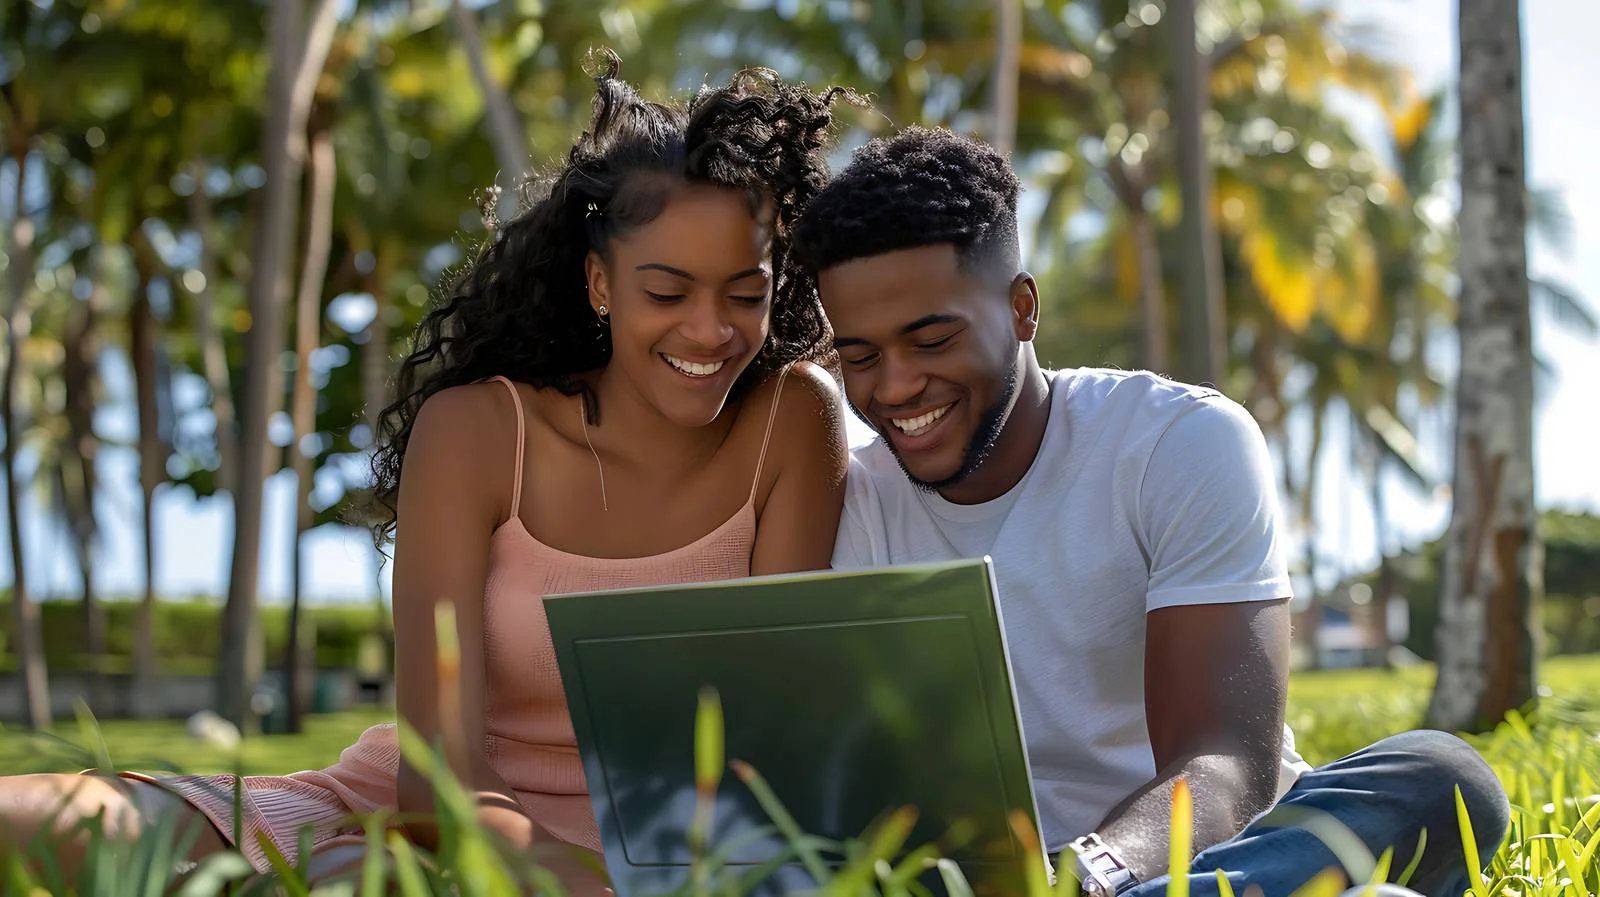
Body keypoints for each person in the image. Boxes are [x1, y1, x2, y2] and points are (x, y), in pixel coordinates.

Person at [0, 52, 853, 893]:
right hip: (445, 813)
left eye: (745, 293)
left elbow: (762, 748)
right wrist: (553, 874)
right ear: (601, 282)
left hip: (664, 849)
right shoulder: (481, 429)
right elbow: (436, 772)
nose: (710, 331)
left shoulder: (793, 419)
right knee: (30, 821)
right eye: (667, 292)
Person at [793, 125, 1510, 897]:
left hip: (1195, 855)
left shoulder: (1180, 441)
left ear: (1023, 308)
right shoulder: (851, 502)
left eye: (931, 340)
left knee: (1443, 778)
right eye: (860, 356)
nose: (894, 388)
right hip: (991, 883)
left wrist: (1083, 877)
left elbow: (1227, 762)